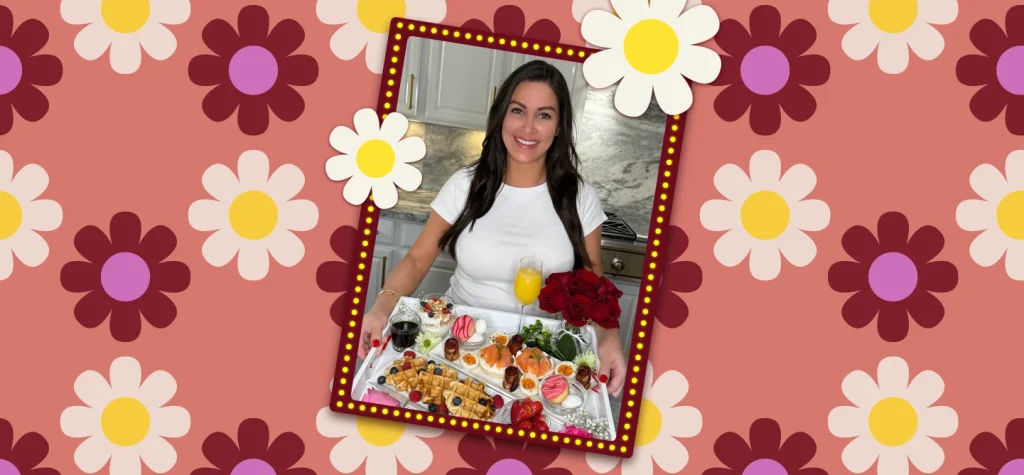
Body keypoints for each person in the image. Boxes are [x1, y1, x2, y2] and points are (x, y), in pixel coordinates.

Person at [358, 60, 626, 398]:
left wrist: (609, 336)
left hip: (538, 358)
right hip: (457, 345)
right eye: (518, 110)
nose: (528, 128)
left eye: (544, 115)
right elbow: (416, 259)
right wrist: (381, 307)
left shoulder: (579, 196)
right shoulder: (465, 185)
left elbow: (593, 283)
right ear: (501, 116)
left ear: (558, 127)